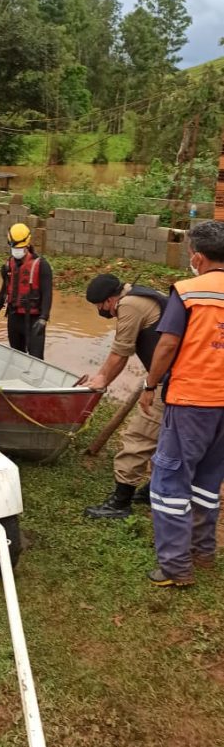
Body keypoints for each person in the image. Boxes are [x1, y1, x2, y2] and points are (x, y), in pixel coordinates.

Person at [140, 221, 224, 587]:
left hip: (192, 401)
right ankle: (203, 552)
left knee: (169, 483)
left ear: (198, 257)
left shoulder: (188, 292)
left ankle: (175, 567)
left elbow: (168, 345)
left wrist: (149, 383)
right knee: (208, 480)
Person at [83, 273, 168, 520]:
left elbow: (121, 352)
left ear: (110, 300)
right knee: (166, 436)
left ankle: (120, 503)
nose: (100, 311)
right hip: (179, 378)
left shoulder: (129, 305)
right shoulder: (141, 293)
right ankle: (154, 490)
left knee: (138, 437)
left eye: (100, 306)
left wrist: (100, 381)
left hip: (168, 382)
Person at [0, 223, 53, 359]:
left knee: (36, 360)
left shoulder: (42, 265)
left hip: (34, 320)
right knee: (16, 358)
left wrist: (43, 318)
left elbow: (47, 293)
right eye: (14, 247)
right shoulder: (7, 267)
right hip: (14, 318)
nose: (16, 250)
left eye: (19, 247)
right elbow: (3, 292)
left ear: (27, 245)